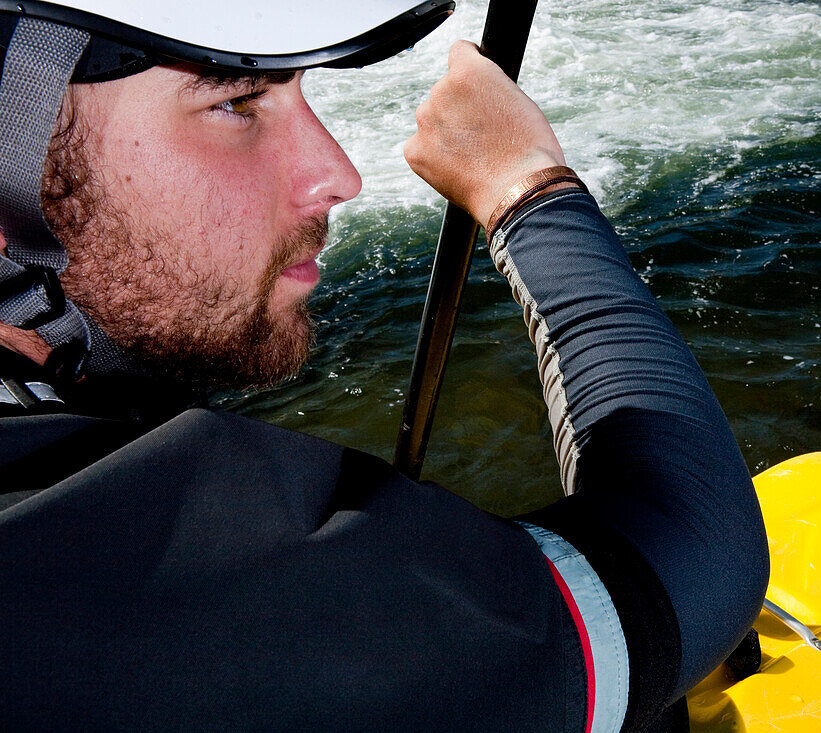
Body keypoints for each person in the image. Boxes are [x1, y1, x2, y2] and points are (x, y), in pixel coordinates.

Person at [1, 1, 769, 730]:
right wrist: (525, 189)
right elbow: (695, 550)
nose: (338, 174)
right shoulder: (150, 583)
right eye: (235, 103)